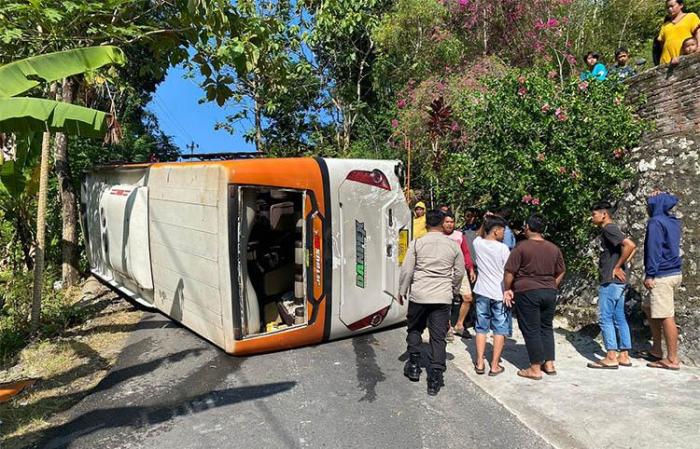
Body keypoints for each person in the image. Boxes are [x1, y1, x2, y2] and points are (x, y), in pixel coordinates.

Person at [400, 209, 465, 396]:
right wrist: (452, 289)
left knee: (414, 329)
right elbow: (460, 272)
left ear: (426, 223)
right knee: (438, 336)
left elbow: (407, 270)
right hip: (441, 297)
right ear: (442, 223)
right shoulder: (453, 246)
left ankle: (413, 366)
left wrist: (402, 290)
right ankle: (435, 378)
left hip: (419, 295)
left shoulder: (417, 243)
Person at [504, 214, 566, 380]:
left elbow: (510, 271)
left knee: (531, 329)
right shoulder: (554, 248)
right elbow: (561, 270)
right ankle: (550, 363)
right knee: (546, 327)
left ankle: (535, 368)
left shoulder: (521, 247)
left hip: (527, 290)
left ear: (527, 228)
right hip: (549, 291)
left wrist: (507, 288)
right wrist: (553, 284)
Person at [588, 201, 637, 370]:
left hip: (611, 280)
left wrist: (616, 266)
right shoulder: (612, 229)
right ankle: (624, 355)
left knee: (605, 317)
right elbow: (633, 247)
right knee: (619, 317)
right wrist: (622, 264)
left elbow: (630, 245)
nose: (592, 217)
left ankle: (610, 356)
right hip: (620, 282)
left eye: (594, 214)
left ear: (604, 214)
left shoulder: (609, 228)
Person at [643, 191, 683, 371]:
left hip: (662, 274)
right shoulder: (673, 221)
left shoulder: (655, 222)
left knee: (667, 316)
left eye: (649, 203)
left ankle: (672, 359)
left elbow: (654, 249)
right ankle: (657, 348)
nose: (647, 206)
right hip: (674, 272)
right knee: (648, 306)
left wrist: (650, 274)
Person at [471, 215, 511, 376]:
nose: (504, 233)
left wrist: (485, 220)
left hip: (481, 291)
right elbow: (508, 271)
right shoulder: (503, 249)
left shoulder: (478, 243)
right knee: (499, 329)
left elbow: (479, 234)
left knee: (481, 328)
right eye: (502, 230)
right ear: (495, 231)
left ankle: (480, 362)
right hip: (498, 292)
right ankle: (495, 365)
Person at [442, 212, 476, 341]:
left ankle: (459, 324)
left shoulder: (459, 235)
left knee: (467, 298)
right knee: (446, 301)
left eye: (452, 222)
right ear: (442, 223)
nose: (450, 224)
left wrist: (471, 269)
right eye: (447, 222)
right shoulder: (439, 236)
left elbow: (466, 253)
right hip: (445, 273)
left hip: (460, 271)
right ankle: (447, 327)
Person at [656, 0, 700, 65]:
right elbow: (662, 44)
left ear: (681, 5)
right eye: (667, 7)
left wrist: (699, 47)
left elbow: (698, 33)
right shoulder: (665, 25)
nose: (670, 9)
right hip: (666, 62)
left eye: (672, 6)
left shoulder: (691, 17)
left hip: (685, 59)